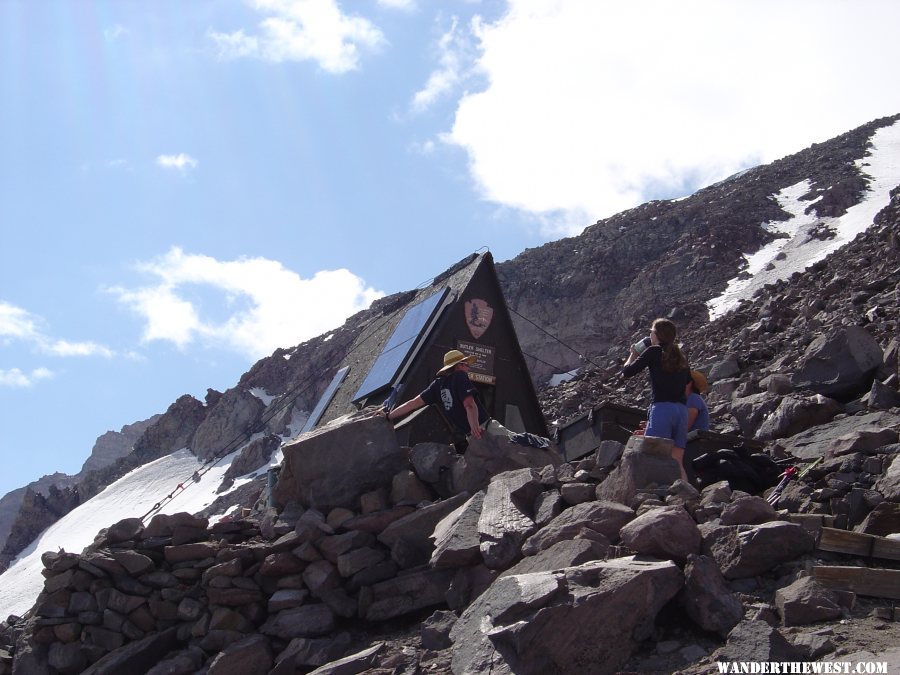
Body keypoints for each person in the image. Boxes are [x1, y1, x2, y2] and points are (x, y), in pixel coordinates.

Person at [622, 318, 692, 482]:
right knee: (677, 459)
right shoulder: (681, 356)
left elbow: (627, 372)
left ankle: (656, 498)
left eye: (651, 331)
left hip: (662, 409)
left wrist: (633, 354)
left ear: (658, 334)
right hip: (681, 411)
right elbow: (688, 382)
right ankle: (686, 495)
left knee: (653, 456)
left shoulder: (653, 351)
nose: (650, 335)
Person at [382, 349, 501, 441]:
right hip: (485, 428)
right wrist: (475, 427)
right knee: (516, 443)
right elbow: (469, 405)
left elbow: (412, 404)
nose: (468, 368)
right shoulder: (460, 376)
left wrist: (388, 416)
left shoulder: (437, 385)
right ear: (459, 366)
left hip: (470, 437)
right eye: (466, 364)